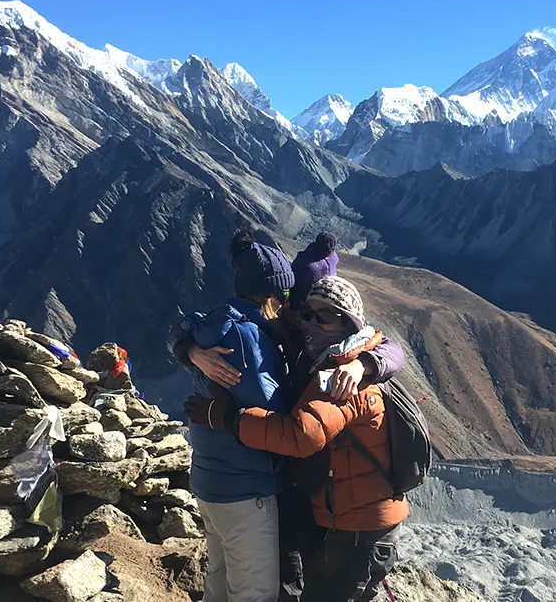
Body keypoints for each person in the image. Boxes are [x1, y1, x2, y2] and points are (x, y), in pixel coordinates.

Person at [174, 232, 405, 601]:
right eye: (301, 308)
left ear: (347, 323)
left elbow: (301, 435)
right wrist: (188, 349)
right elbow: (193, 323)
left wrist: (227, 418)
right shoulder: (298, 342)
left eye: (321, 315)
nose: (303, 318)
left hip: (352, 516)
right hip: (316, 499)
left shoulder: (344, 372)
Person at [169, 226, 294, 602]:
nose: (288, 305)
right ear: (271, 294)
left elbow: (180, 326)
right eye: (286, 295)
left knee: (220, 580)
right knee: (253, 593)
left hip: (210, 481)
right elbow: (271, 415)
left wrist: (188, 350)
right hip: (245, 490)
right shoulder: (249, 338)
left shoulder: (214, 324)